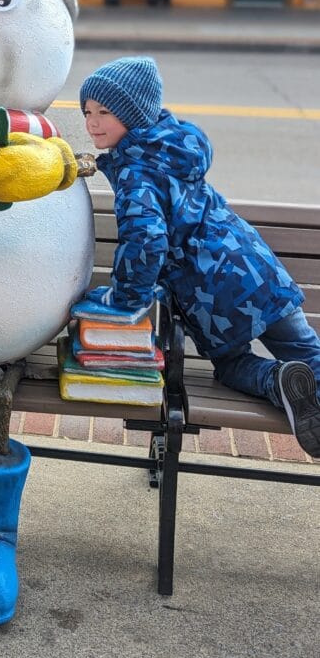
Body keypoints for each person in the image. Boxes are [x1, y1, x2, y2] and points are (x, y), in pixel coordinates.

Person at [78, 55, 320, 457]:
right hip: (262, 274)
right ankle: (303, 393)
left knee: (231, 367)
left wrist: (125, 298)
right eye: (88, 111)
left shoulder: (137, 173)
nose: (92, 123)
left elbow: (147, 241)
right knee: (306, 351)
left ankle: (275, 382)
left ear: (136, 115)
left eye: (106, 112)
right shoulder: (176, 148)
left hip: (213, 296)